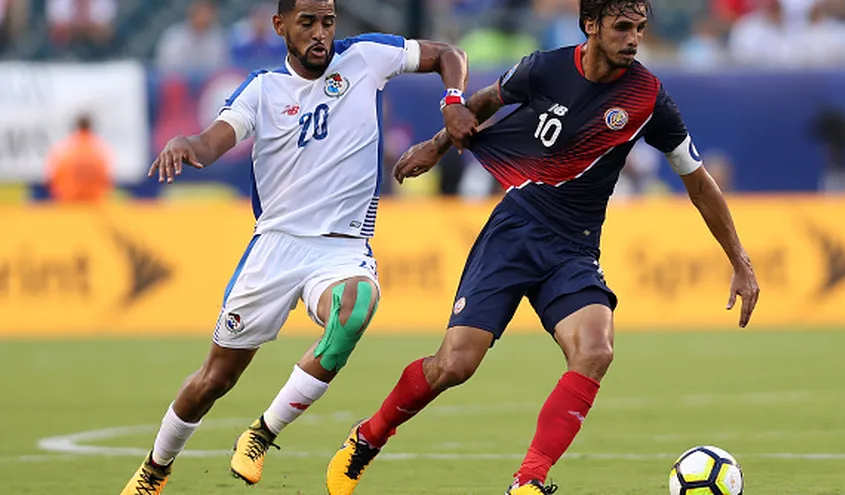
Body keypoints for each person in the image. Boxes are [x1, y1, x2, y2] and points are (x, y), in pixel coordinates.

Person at [325, 1, 760, 494]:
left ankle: (528, 481)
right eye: (622, 27)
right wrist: (436, 144)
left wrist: (740, 262)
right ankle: (368, 437)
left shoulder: (648, 98)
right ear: (590, 25)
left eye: (640, 28)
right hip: (514, 232)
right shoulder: (544, 68)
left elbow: (699, 183)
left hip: (573, 248)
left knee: (595, 350)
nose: (634, 39)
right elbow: (484, 102)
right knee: (454, 365)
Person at [120, 0, 477, 493]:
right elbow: (212, 142)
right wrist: (187, 143)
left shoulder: (367, 57)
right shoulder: (262, 89)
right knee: (215, 379)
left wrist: (454, 99)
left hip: (342, 248)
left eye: (327, 22)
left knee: (355, 308)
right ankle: (155, 468)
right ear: (280, 25)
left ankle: (262, 433)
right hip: (276, 248)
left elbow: (450, 54)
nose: (319, 33)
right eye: (307, 22)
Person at [46, 114, 114, 203]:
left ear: (75, 128)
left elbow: (52, 181)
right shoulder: (101, 151)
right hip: (93, 205)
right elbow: (107, 181)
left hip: (69, 205)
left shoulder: (63, 150)